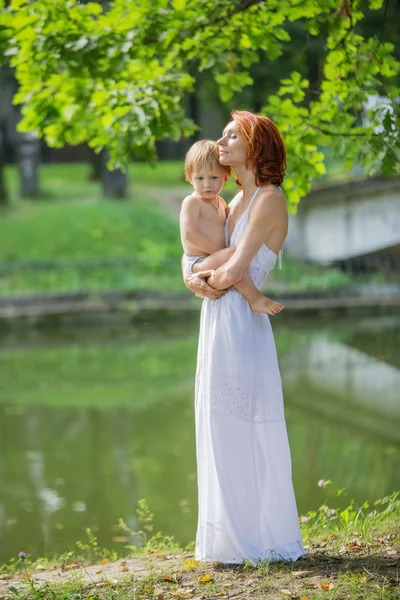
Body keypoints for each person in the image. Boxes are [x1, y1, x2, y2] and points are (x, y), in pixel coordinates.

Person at [183, 110, 304, 565]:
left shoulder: (269, 199)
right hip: (218, 319)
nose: (221, 140)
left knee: (244, 426)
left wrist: (201, 278)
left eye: (232, 135)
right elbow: (198, 252)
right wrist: (193, 273)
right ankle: (228, 540)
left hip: (240, 323)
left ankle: (258, 536)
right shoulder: (229, 203)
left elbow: (233, 268)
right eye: (223, 133)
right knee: (218, 425)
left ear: (255, 146)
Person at [181, 139, 284, 315]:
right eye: (199, 178)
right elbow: (190, 234)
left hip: (212, 260)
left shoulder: (222, 203)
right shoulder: (192, 202)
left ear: (225, 177)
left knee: (233, 258)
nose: (207, 184)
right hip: (198, 260)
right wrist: (218, 251)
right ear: (190, 178)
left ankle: (253, 297)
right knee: (232, 255)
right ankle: (254, 298)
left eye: (214, 178)